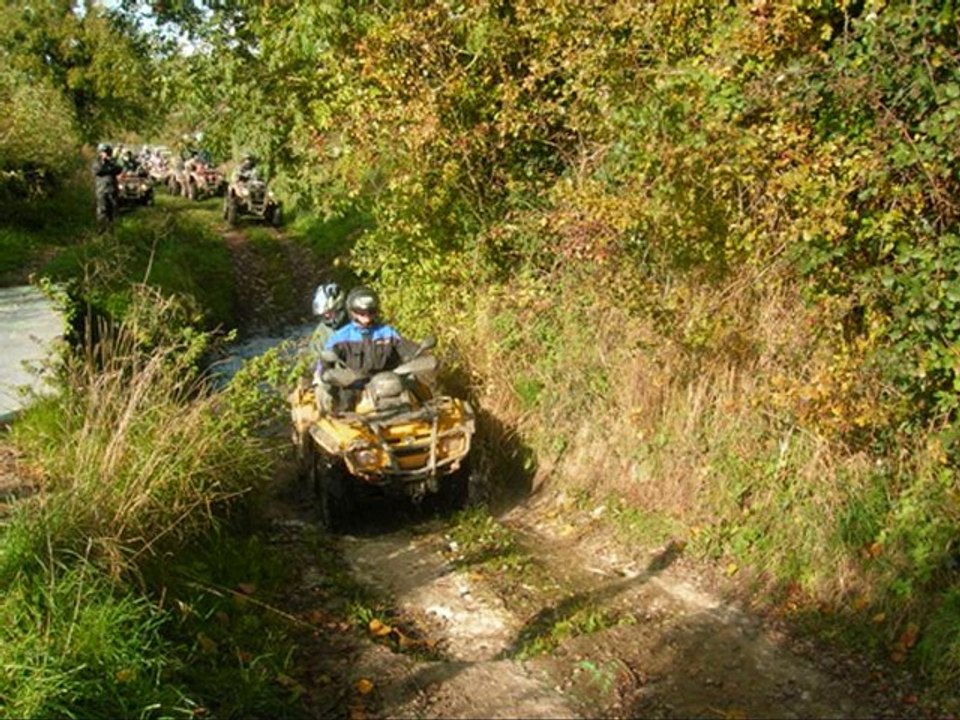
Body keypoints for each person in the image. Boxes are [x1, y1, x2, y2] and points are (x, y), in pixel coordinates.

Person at [317, 285, 419, 412]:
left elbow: (409, 350)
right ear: (352, 311)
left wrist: (419, 356)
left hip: (389, 383)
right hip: (356, 386)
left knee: (418, 393)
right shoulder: (340, 337)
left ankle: (436, 410)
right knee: (343, 402)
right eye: (361, 312)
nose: (367, 316)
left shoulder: (388, 332)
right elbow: (324, 363)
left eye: (371, 311)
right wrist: (328, 374)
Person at [92, 143, 121, 231]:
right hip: (102, 190)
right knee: (102, 211)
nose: (105, 154)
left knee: (112, 211)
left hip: (112, 190)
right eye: (103, 152)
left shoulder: (113, 162)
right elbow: (98, 171)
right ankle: (101, 230)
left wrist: (109, 163)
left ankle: (111, 230)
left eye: (107, 152)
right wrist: (107, 167)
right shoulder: (96, 163)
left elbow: (119, 169)